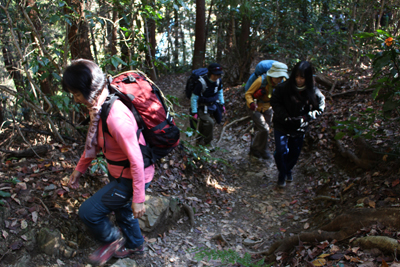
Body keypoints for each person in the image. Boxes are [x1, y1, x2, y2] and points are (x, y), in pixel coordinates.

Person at [62, 59, 154, 266]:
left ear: (90, 89)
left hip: (131, 177)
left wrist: (138, 197)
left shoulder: (115, 116)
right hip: (120, 172)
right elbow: (93, 145)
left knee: (88, 212)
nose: (76, 99)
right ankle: (136, 245)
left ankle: (113, 240)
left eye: (77, 94)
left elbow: (136, 159)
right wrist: (79, 170)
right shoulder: (98, 109)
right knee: (123, 212)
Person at [270, 61, 325, 187]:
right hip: (282, 124)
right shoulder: (283, 87)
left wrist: (306, 118)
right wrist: (284, 116)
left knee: (294, 154)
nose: (299, 80)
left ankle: (287, 170)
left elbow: (320, 108)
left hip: (299, 127)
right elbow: (275, 101)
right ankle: (282, 175)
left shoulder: (313, 91)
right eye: (296, 77)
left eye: (302, 77)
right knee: (280, 152)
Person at [245, 62, 288, 159]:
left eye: (280, 77)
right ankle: (258, 149)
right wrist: (251, 103)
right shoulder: (261, 81)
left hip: (268, 107)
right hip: (255, 106)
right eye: (277, 77)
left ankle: (260, 149)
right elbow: (248, 94)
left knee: (266, 130)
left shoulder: (282, 82)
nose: (279, 80)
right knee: (264, 128)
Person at [191, 63, 225, 146]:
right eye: (215, 75)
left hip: (212, 105)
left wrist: (222, 104)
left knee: (204, 123)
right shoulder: (201, 83)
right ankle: (208, 143)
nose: (217, 77)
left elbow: (220, 91)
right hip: (201, 107)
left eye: (218, 75)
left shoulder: (218, 81)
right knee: (210, 122)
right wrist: (194, 112)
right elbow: (194, 98)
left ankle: (199, 140)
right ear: (210, 73)